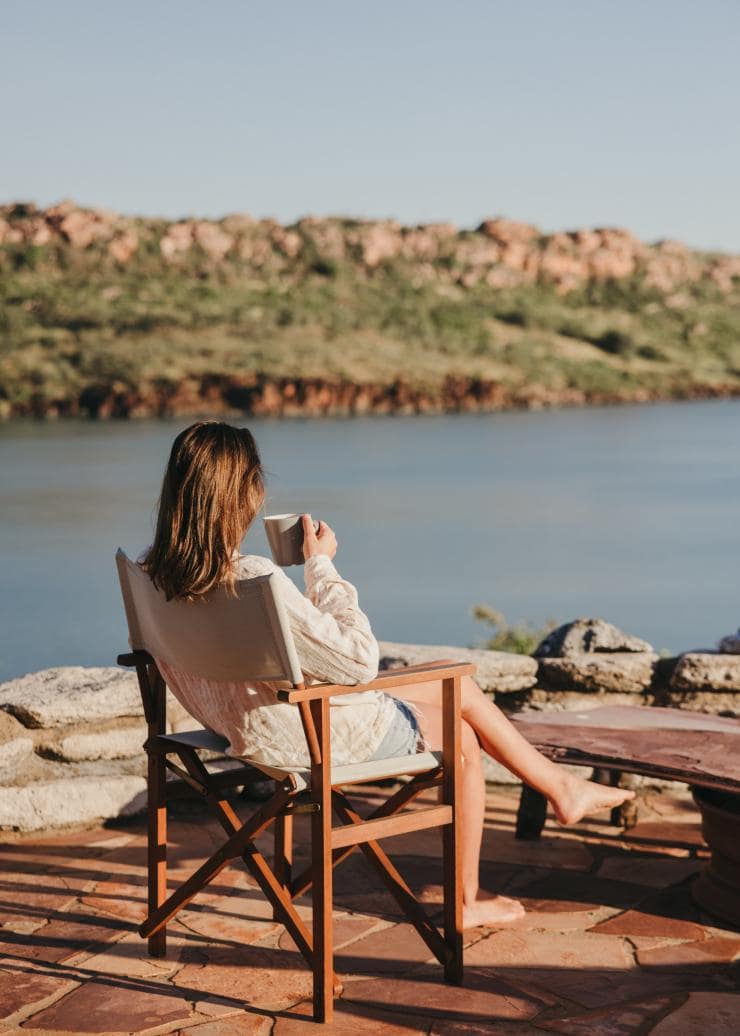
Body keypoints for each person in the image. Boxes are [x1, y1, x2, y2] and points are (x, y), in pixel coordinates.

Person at [142, 421, 634, 928]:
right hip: (298, 736)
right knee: (460, 728)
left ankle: (557, 788)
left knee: (451, 678)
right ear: (244, 493)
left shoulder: (154, 574)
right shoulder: (250, 577)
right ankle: (471, 896)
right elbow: (358, 663)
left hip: (235, 725)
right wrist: (321, 567)